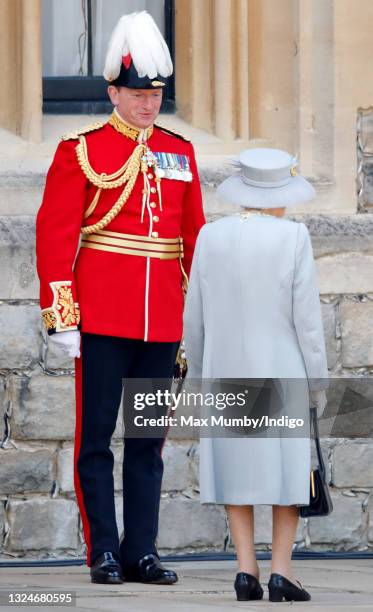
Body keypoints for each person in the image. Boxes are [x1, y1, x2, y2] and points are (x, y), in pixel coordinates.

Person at [36, 11, 205, 585]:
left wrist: (195, 319)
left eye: (155, 94)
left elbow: (193, 241)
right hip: (102, 318)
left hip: (161, 324)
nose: (148, 104)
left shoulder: (180, 153)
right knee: (95, 443)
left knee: (147, 445)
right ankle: (103, 550)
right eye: (138, 93)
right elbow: (56, 234)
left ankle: (142, 550)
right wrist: (62, 316)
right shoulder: (80, 150)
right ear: (113, 92)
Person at [183, 148, 328, 602]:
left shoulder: (210, 236)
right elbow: (307, 322)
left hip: (225, 369)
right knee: (288, 474)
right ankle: (282, 571)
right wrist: (317, 382)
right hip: (281, 368)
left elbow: (195, 320)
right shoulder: (293, 237)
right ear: (280, 193)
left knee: (236, 469)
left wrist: (200, 377)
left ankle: (246, 570)